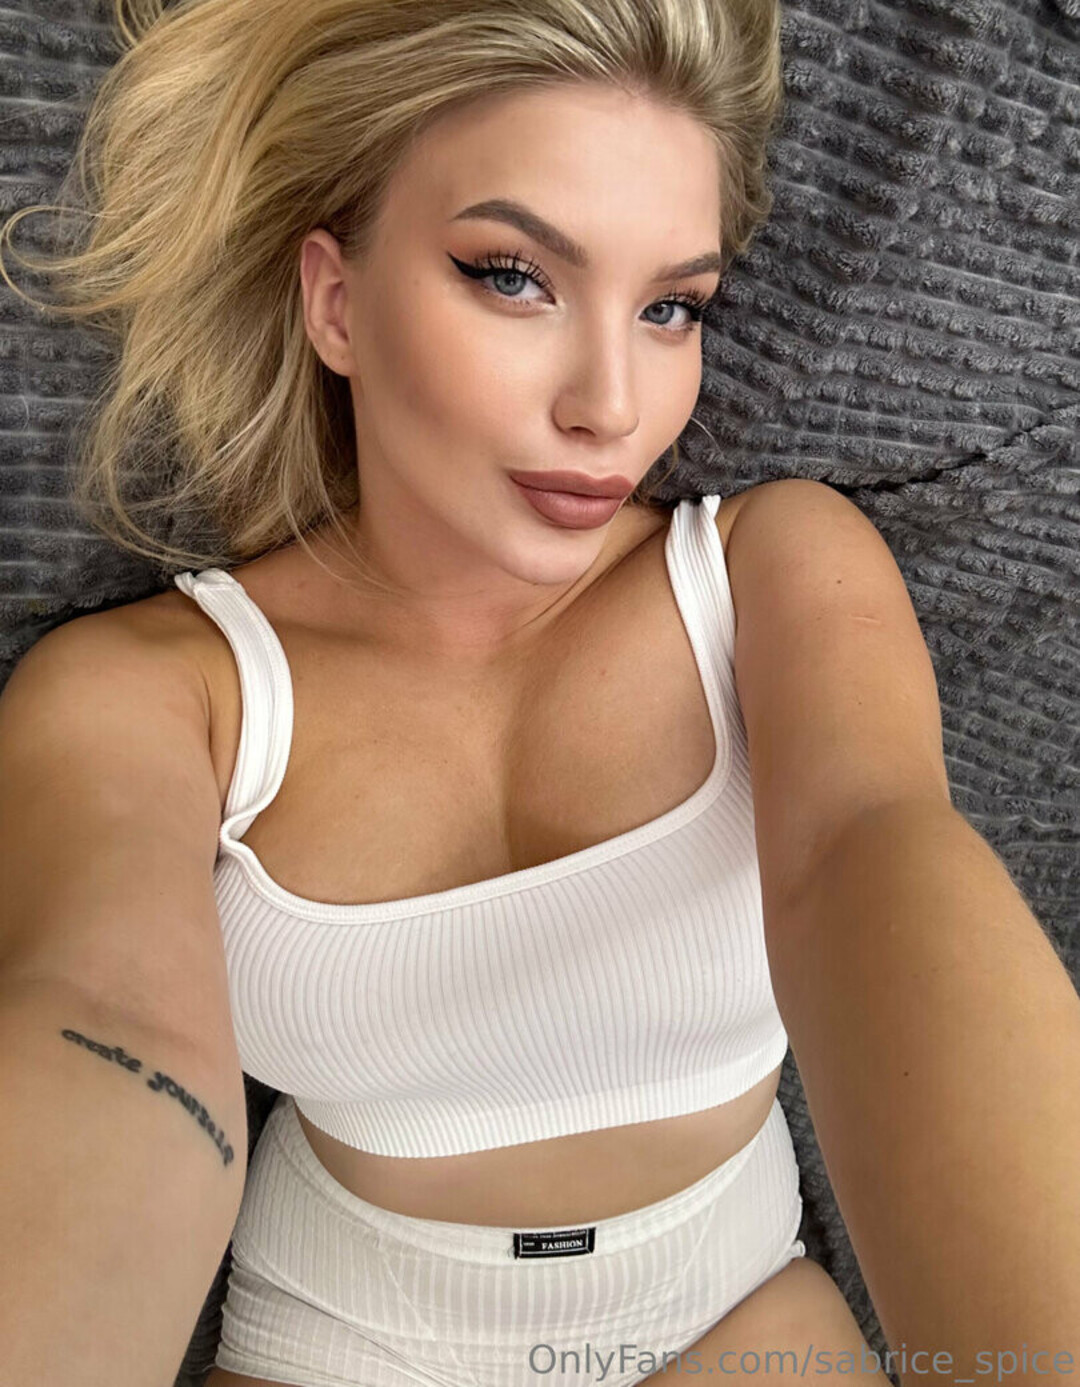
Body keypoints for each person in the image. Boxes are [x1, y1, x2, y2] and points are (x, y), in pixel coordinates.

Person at [8, 2, 1077, 1386]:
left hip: (734, 1319)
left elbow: (869, 859)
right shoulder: (153, 692)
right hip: (339, 1340)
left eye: (670, 307)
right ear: (337, 303)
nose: (611, 406)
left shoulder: (774, 574)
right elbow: (109, 1031)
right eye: (514, 277)